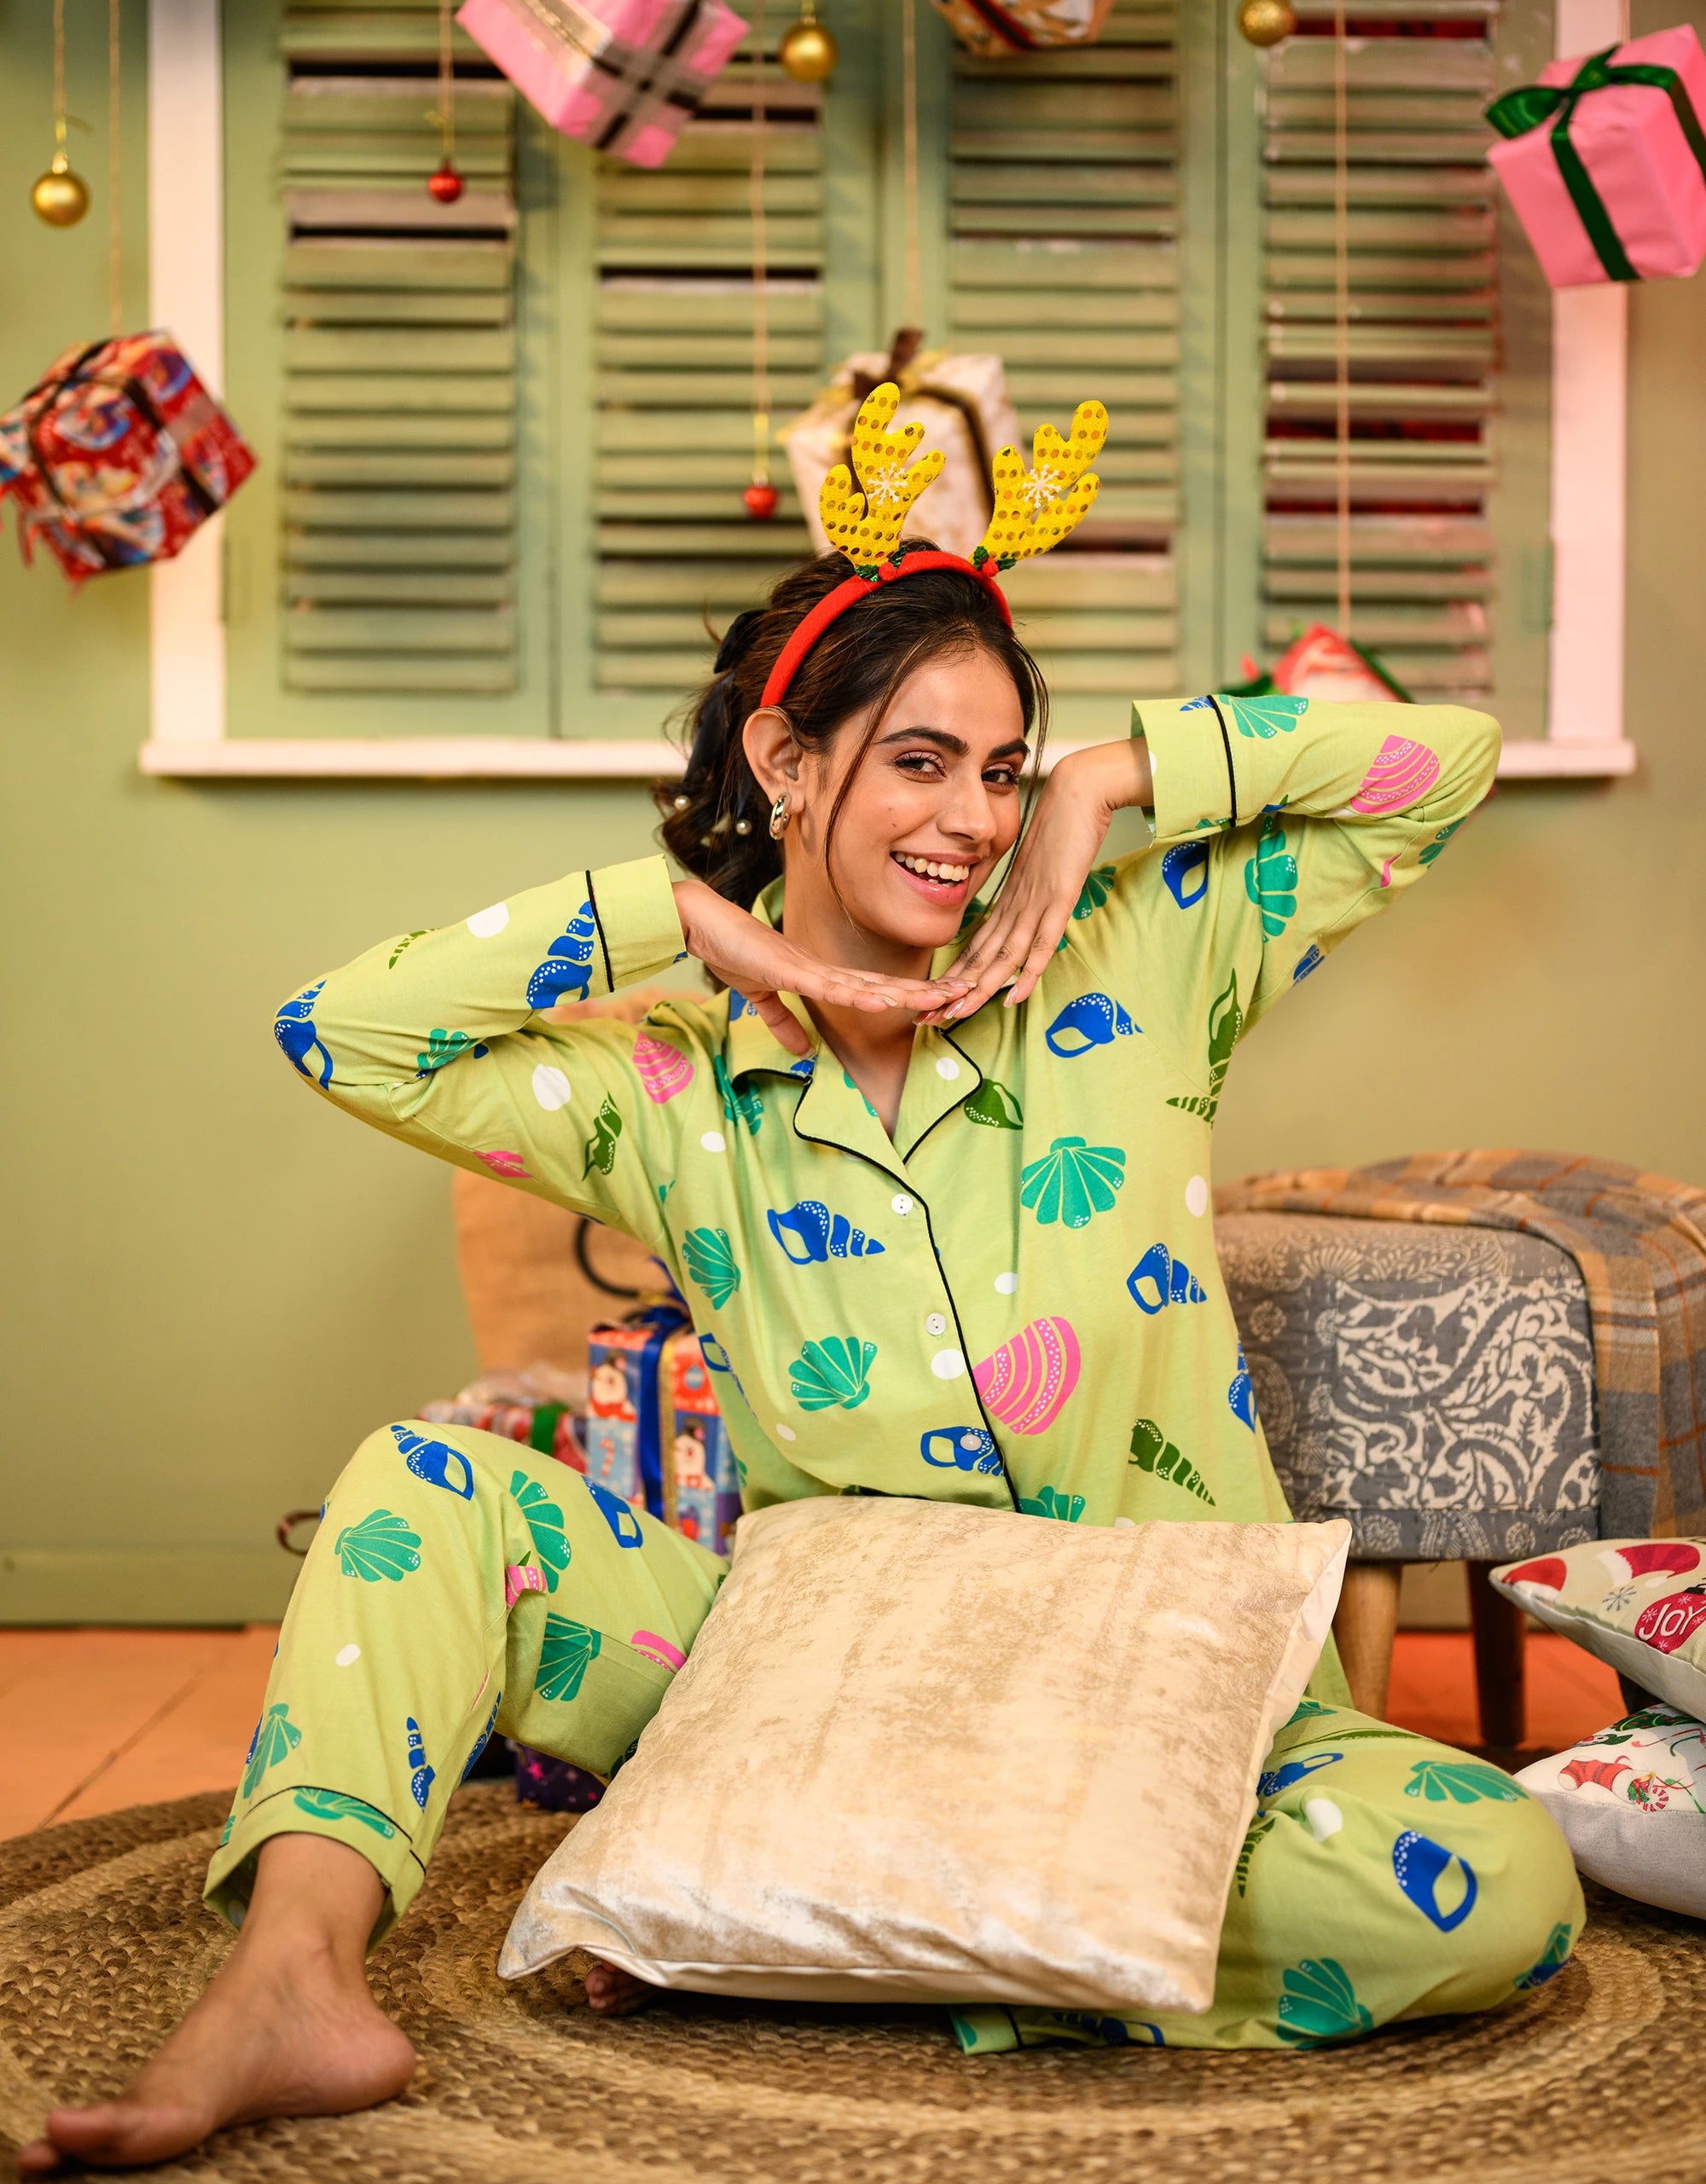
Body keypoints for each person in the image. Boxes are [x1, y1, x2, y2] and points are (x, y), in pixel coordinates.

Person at [23, 392, 1581, 2172]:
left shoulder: (1148, 958)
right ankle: (292, 1980)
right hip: (806, 1687)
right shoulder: (668, 1077)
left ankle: (788, 1921)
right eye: (920, 759)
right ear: (787, 762)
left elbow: (1442, 752)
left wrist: (1106, 782)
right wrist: (681, 915)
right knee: (418, 1493)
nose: (971, 816)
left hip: (1168, 1682)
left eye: (999, 769)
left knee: (1497, 1880)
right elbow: (340, 1030)